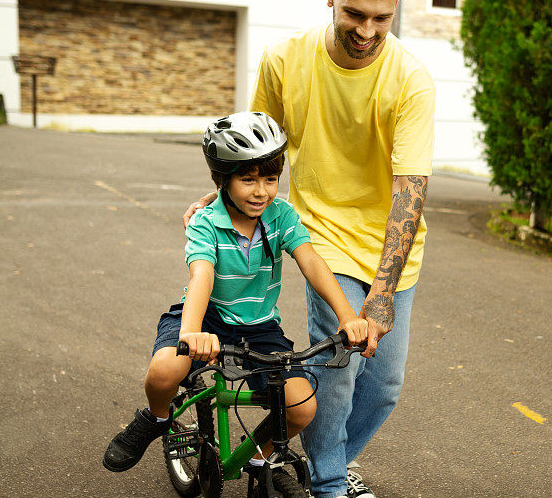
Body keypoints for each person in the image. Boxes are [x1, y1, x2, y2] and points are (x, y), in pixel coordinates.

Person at [183, 0, 434, 496]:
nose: (367, 30)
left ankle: (333, 461)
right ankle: (328, 486)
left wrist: (384, 294)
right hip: (320, 235)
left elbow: (410, 192)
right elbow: (257, 146)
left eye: (382, 18)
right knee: (338, 373)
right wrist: (224, 194)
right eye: (355, 13)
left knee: (384, 386)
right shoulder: (285, 60)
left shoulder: (411, 81)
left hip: (393, 250)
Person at [103, 111, 368, 474]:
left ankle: (255, 455)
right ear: (221, 179)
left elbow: (311, 262)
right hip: (205, 316)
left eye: (271, 179)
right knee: (165, 371)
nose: (262, 191)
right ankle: (157, 418)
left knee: (302, 406)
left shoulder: (281, 216)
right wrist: (192, 331)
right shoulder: (206, 221)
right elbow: (201, 275)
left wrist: (348, 316)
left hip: (258, 327)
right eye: (248, 179)